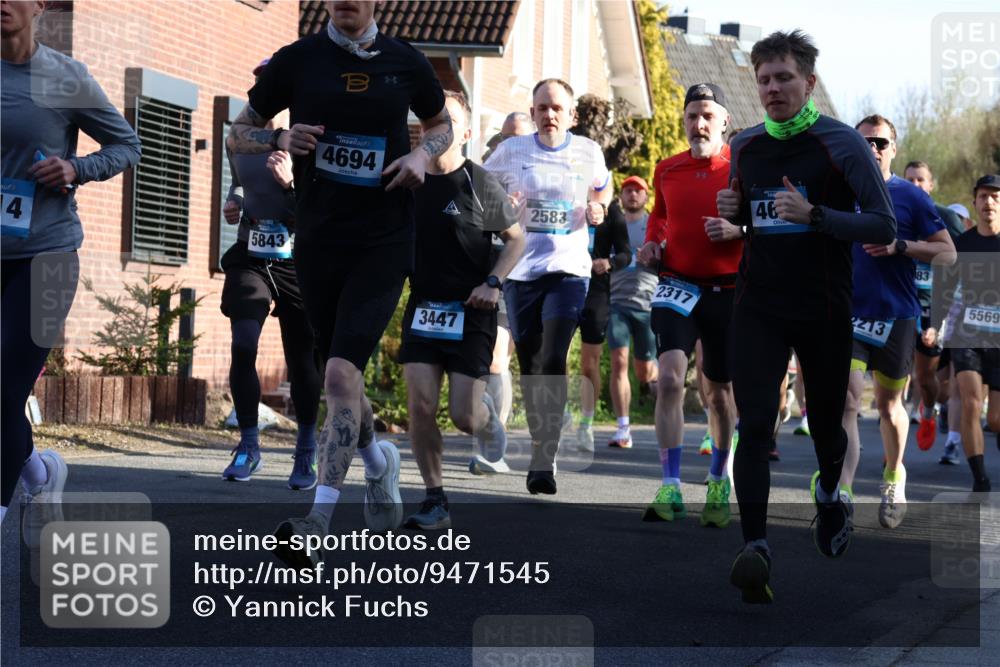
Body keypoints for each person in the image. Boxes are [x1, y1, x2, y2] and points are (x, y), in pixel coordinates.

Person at [230, 0, 451, 568]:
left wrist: (423, 156)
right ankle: (379, 464)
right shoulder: (299, 60)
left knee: (337, 372)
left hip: (383, 238)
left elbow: (442, 123)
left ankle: (316, 520)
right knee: (340, 379)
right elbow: (239, 131)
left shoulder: (406, 61)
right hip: (319, 238)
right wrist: (280, 140)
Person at [716, 30, 895, 603]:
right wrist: (734, 213)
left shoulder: (842, 145)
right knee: (755, 421)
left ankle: (830, 496)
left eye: (783, 78)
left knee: (825, 425)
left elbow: (883, 226)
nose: (771, 89)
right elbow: (753, 220)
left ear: (809, 82)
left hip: (823, 307)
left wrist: (818, 214)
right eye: (763, 79)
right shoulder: (743, 146)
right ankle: (756, 547)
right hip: (759, 303)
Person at [1, 0, 141, 532]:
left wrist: (76, 167)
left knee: (4, 393)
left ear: (40, 5)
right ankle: (37, 473)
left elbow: (128, 145)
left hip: (47, 254)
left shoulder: (64, 77)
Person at [400, 91, 524, 529]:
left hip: (472, 309)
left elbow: (516, 239)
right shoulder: (406, 179)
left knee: (464, 415)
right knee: (420, 405)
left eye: (448, 122)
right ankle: (435, 498)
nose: (437, 130)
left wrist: (493, 283)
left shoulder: (478, 181)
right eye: (431, 122)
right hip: (423, 307)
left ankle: (489, 423)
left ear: (466, 133)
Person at [484, 78, 613, 495]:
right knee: (531, 364)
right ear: (534, 111)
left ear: (571, 115)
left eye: (557, 108)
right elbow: (479, 191)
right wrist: (503, 207)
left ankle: (544, 455)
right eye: (542, 107)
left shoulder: (588, 151)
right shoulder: (511, 151)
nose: (549, 114)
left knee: (554, 356)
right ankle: (543, 441)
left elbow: (603, 185)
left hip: (568, 271)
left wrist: (600, 207)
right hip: (521, 272)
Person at [833, 115, 952, 530]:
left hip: (897, 315)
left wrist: (901, 245)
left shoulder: (910, 196)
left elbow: (948, 253)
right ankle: (842, 492)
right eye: (864, 141)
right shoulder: (842, 192)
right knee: (848, 400)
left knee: (888, 407)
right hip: (850, 313)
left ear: (893, 150)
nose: (873, 149)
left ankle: (894, 474)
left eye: (881, 143)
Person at [637, 82, 742, 527]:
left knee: (717, 394)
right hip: (677, 284)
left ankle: (719, 477)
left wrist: (738, 233)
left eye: (707, 116)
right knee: (669, 379)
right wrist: (651, 245)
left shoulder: (741, 169)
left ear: (723, 122)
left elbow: (765, 220)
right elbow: (660, 217)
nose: (698, 124)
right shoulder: (667, 169)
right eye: (691, 116)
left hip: (727, 288)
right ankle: (670, 485)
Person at [219, 59, 323, 489]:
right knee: (243, 345)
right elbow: (239, 184)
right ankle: (248, 443)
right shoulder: (239, 140)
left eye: (273, 84)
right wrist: (234, 201)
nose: (263, 92)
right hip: (251, 254)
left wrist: (290, 188)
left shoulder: (307, 141)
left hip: (297, 261)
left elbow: (321, 217)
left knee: (302, 363)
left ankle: (306, 447)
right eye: (259, 82)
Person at [936, 174, 1000, 492]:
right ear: (974, 202)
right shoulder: (961, 245)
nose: (989, 202)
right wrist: (936, 328)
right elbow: (947, 291)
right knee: (972, 403)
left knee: (997, 418)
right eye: (983, 196)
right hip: (967, 335)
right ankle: (981, 478)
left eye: (995, 197)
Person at [479, 111, 534, 470]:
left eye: (517, 136)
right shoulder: (486, 169)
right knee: (495, 359)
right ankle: (492, 446)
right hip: (495, 271)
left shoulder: (547, 168)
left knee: (519, 360)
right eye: (504, 136)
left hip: (533, 275)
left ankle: (540, 439)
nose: (508, 143)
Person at [902, 160, 965, 448]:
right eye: (910, 180)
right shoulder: (894, 213)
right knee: (892, 381)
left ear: (931, 185)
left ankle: (928, 411)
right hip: (900, 302)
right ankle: (894, 447)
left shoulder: (947, 219)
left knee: (926, 378)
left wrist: (942, 318)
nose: (915, 186)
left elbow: (962, 269)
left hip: (933, 309)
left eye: (920, 180)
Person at [576, 190, 630, 451]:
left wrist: (607, 262)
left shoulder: (612, 209)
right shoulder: (566, 200)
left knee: (589, 364)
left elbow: (625, 254)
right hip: (563, 282)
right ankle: (556, 416)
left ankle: (586, 422)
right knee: (553, 356)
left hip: (595, 291)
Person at [607, 176, 658, 449]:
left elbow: (670, 259)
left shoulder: (654, 225)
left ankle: (654, 378)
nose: (633, 195)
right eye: (628, 190)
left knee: (644, 372)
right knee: (619, 362)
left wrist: (655, 257)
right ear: (622, 196)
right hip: (617, 303)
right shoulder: (612, 225)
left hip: (647, 306)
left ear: (646, 197)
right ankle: (623, 428)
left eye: (638, 191)